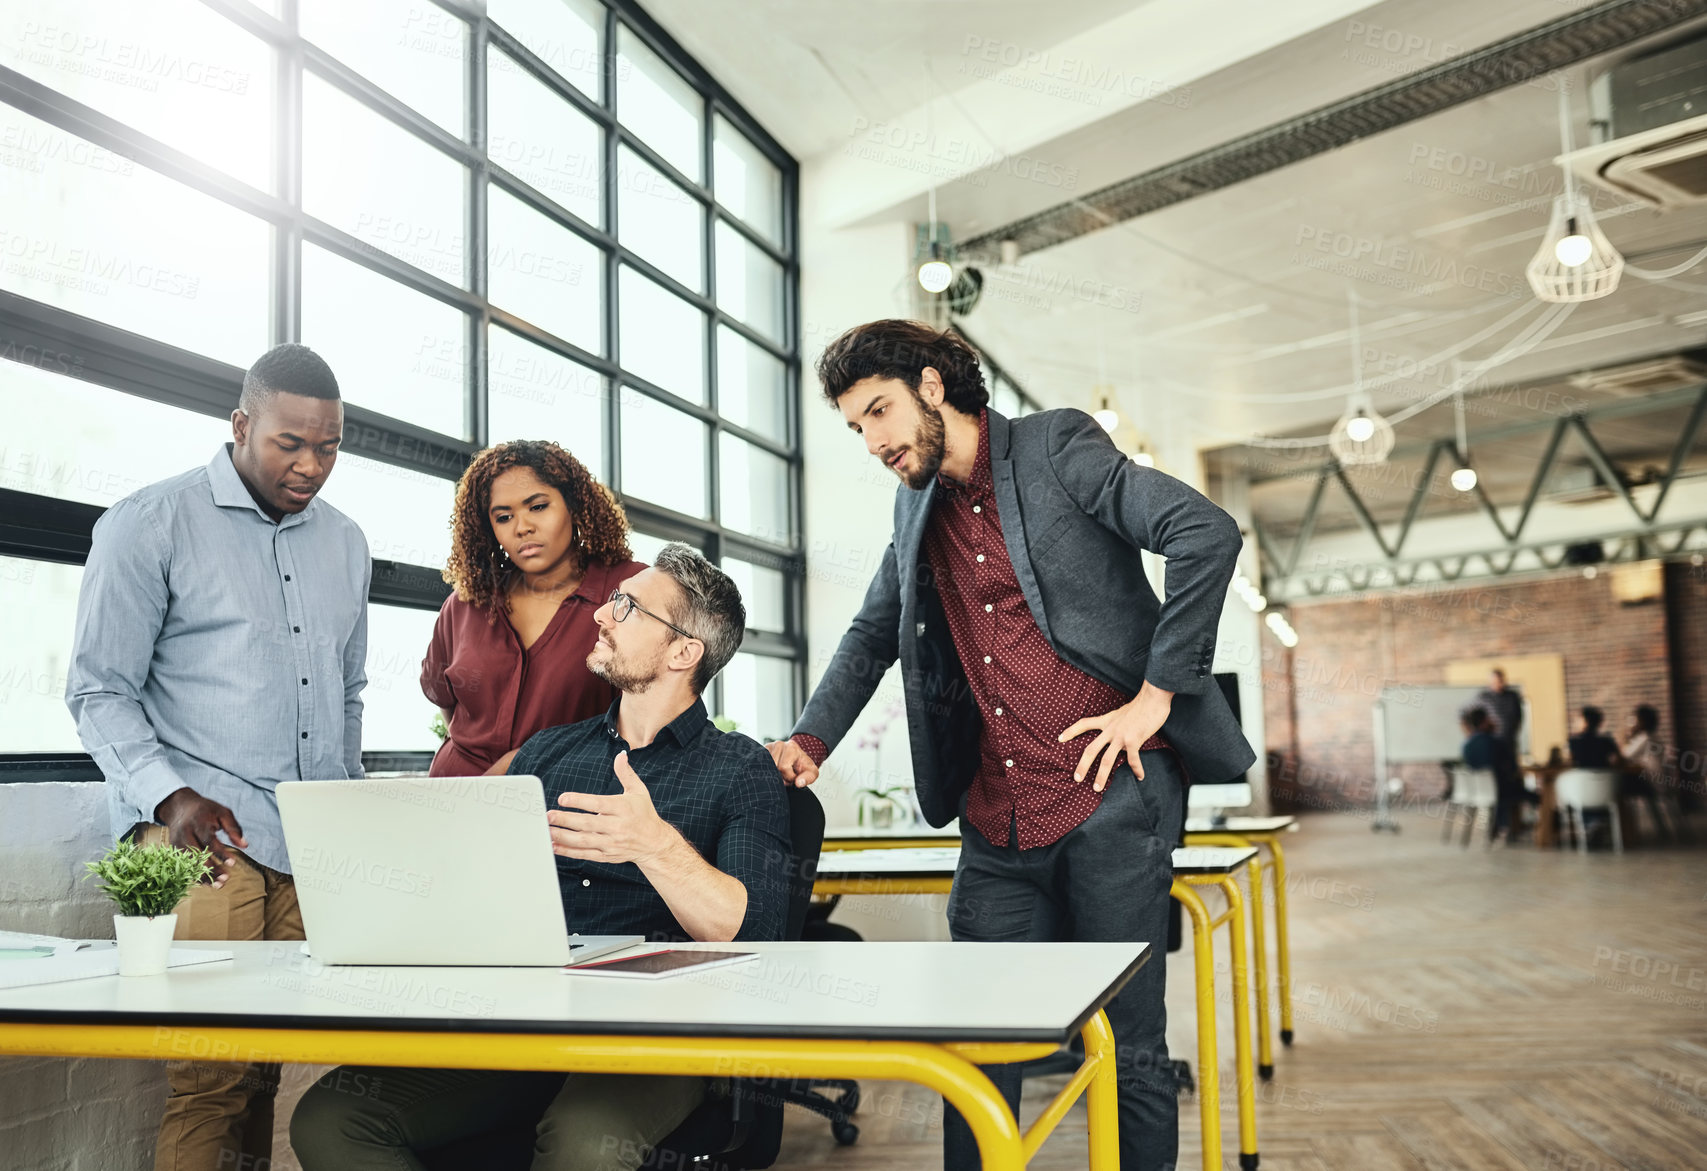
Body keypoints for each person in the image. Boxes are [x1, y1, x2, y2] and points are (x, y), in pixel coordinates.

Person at [764, 320, 1253, 1171]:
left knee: (1129, 1038)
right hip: (996, 820)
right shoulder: (913, 502)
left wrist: (1154, 699)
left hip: (1113, 796)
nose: (872, 440)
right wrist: (810, 737)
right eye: (855, 426)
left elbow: (1204, 533)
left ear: (929, 384)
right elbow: (873, 629)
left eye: (878, 411)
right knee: (979, 1047)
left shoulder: (1055, 445)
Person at [292, 544, 791, 1171]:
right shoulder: (546, 755)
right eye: (613, 601)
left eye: (627, 607)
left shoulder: (740, 768)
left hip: (656, 1035)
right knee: (334, 1118)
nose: (602, 616)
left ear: (683, 651)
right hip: (523, 1021)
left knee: (584, 1140)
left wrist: (656, 846)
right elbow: (467, 885)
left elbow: (757, 934)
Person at [64, 344, 369, 1171]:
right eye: (289, 443)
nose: (311, 465)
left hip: (306, 846)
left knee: (267, 1067)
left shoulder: (345, 543)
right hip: (204, 848)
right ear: (241, 424)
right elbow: (98, 691)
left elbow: (347, 694)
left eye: (330, 446)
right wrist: (173, 799)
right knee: (210, 1078)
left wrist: (347, 815)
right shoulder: (149, 522)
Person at [423, 440, 649, 776]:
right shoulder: (464, 604)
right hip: (457, 798)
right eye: (504, 516)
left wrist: (524, 760)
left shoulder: (630, 589)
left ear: (573, 506)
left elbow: (651, 717)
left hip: (569, 806)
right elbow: (448, 704)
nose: (522, 527)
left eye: (538, 507)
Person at [1473, 668, 1525, 841]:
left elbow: (1518, 719)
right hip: (1492, 749)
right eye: (1495, 681)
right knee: (1499, 787)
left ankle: (1512, 825)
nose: (1498, 685)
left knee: (1511, 782)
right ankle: (1499, 825)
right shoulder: (1483, 698)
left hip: (1508, 746)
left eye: (1501, 681)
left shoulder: (1512, 696)